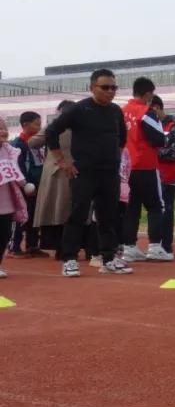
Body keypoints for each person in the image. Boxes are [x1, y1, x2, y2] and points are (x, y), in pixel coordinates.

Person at [44, 68, 133, 276]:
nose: (110, 91)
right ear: (92, 88)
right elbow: (51, 132)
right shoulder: (79, 110)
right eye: (105, 87)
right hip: (83, 172)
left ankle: (108, 258)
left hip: (109, 173)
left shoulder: (115, 111)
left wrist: (115, 159)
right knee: (78, 214)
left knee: (108, 216)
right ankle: (69, 259)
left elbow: (122, 139)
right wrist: (62, 162)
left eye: (114, 87)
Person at [34, 100, 100, 264]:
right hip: (79, 171)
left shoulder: (53, 127)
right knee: (81, 212)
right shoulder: (86, 126)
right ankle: (86, 250)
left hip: (57, 174)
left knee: (58, 213)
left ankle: (62, 250)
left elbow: (33, 143)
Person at [120, 77, 169, 262]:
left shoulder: (122, 111)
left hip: (126, 167)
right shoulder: (146, 111)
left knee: (131, 208)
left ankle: (129, 247)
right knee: (156, 206)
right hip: (146, 165)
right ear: (148, 93)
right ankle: (155, 247)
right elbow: (158, 138)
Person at [8, 111, 46, 258]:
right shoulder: (19, 144)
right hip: (25, 186)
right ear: (25, 125)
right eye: (37, 123)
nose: (39, 126)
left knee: (34, 217)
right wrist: (25, 184)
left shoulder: (38, 144)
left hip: (38, 186)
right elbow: (18, 167)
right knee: (21, 216)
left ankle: (32, 245)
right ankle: (14, 246)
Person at [152, 96, 175, 256]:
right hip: (153, 174)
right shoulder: (150, 125)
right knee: (155, 210)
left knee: (167, 209)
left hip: (169, 176)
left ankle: (166, 245)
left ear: (157, 108)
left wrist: (153, 153)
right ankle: (155, 244)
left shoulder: (173, 126)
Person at [0, 118, 32, 278]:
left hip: (6, 202)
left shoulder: (9, 150)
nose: (3, 132)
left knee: (4, 234)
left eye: (4, 128)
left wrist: (24, 184)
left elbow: (15, 171)